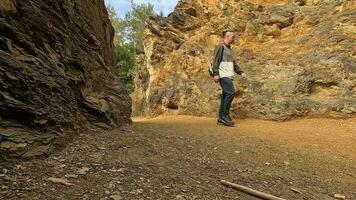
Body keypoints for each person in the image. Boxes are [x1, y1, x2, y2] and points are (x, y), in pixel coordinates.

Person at [211, 31, 245, 127]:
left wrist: (240, 72)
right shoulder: (221, 47)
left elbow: (233, 64)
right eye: (233, 37)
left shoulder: (229, 49)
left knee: (226, 95)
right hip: (222, 75)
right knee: (231, 92)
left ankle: (221, 118)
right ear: (227, 36)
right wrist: (215, 74)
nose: (234, 39)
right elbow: (215, 60)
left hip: (228, 74)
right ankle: (225, 116)